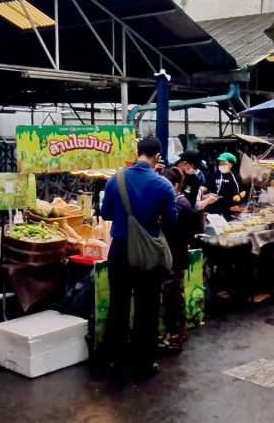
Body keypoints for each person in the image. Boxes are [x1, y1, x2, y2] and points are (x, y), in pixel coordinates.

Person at [101, 136, 178, 379]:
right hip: (147, 253)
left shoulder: (116, 180)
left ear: (137, 152)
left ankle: (114, 362)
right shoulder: (164, 186)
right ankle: (145, 363)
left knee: (118, 306)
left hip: (120, 251)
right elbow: (172, 222)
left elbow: (105, 214)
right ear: (158, 156)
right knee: (147, 308)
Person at [159, 167, 201, 351]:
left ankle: (175, 336)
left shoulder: (180, 205)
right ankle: (178, 332)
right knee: (174, 296)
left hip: (175, 258)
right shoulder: (178, 202)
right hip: (176, 256)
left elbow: (170, 227)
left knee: (173, 297)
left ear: (176, 185)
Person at [213, 152, 245, 220]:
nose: (221, 166)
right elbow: (206, 188)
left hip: (233, 210)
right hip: (216, 211)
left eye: (224, 164)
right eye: (220, 164)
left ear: (230, 165)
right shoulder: (214, 176)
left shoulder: (237, 177)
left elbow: (244, 190)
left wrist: (239, 196)